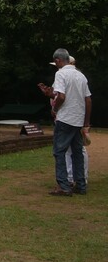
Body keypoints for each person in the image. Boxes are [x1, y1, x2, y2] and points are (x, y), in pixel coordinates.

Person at [38, 55, 90, 187]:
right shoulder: (81, 76)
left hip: (65, 118)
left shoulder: (61, 74)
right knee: (77, 151)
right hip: (77, 119)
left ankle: (64, 185)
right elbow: (88, 100)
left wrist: (55, 109)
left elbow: (61, 97)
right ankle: (81, 184)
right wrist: (85, 123)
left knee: (60, 151)